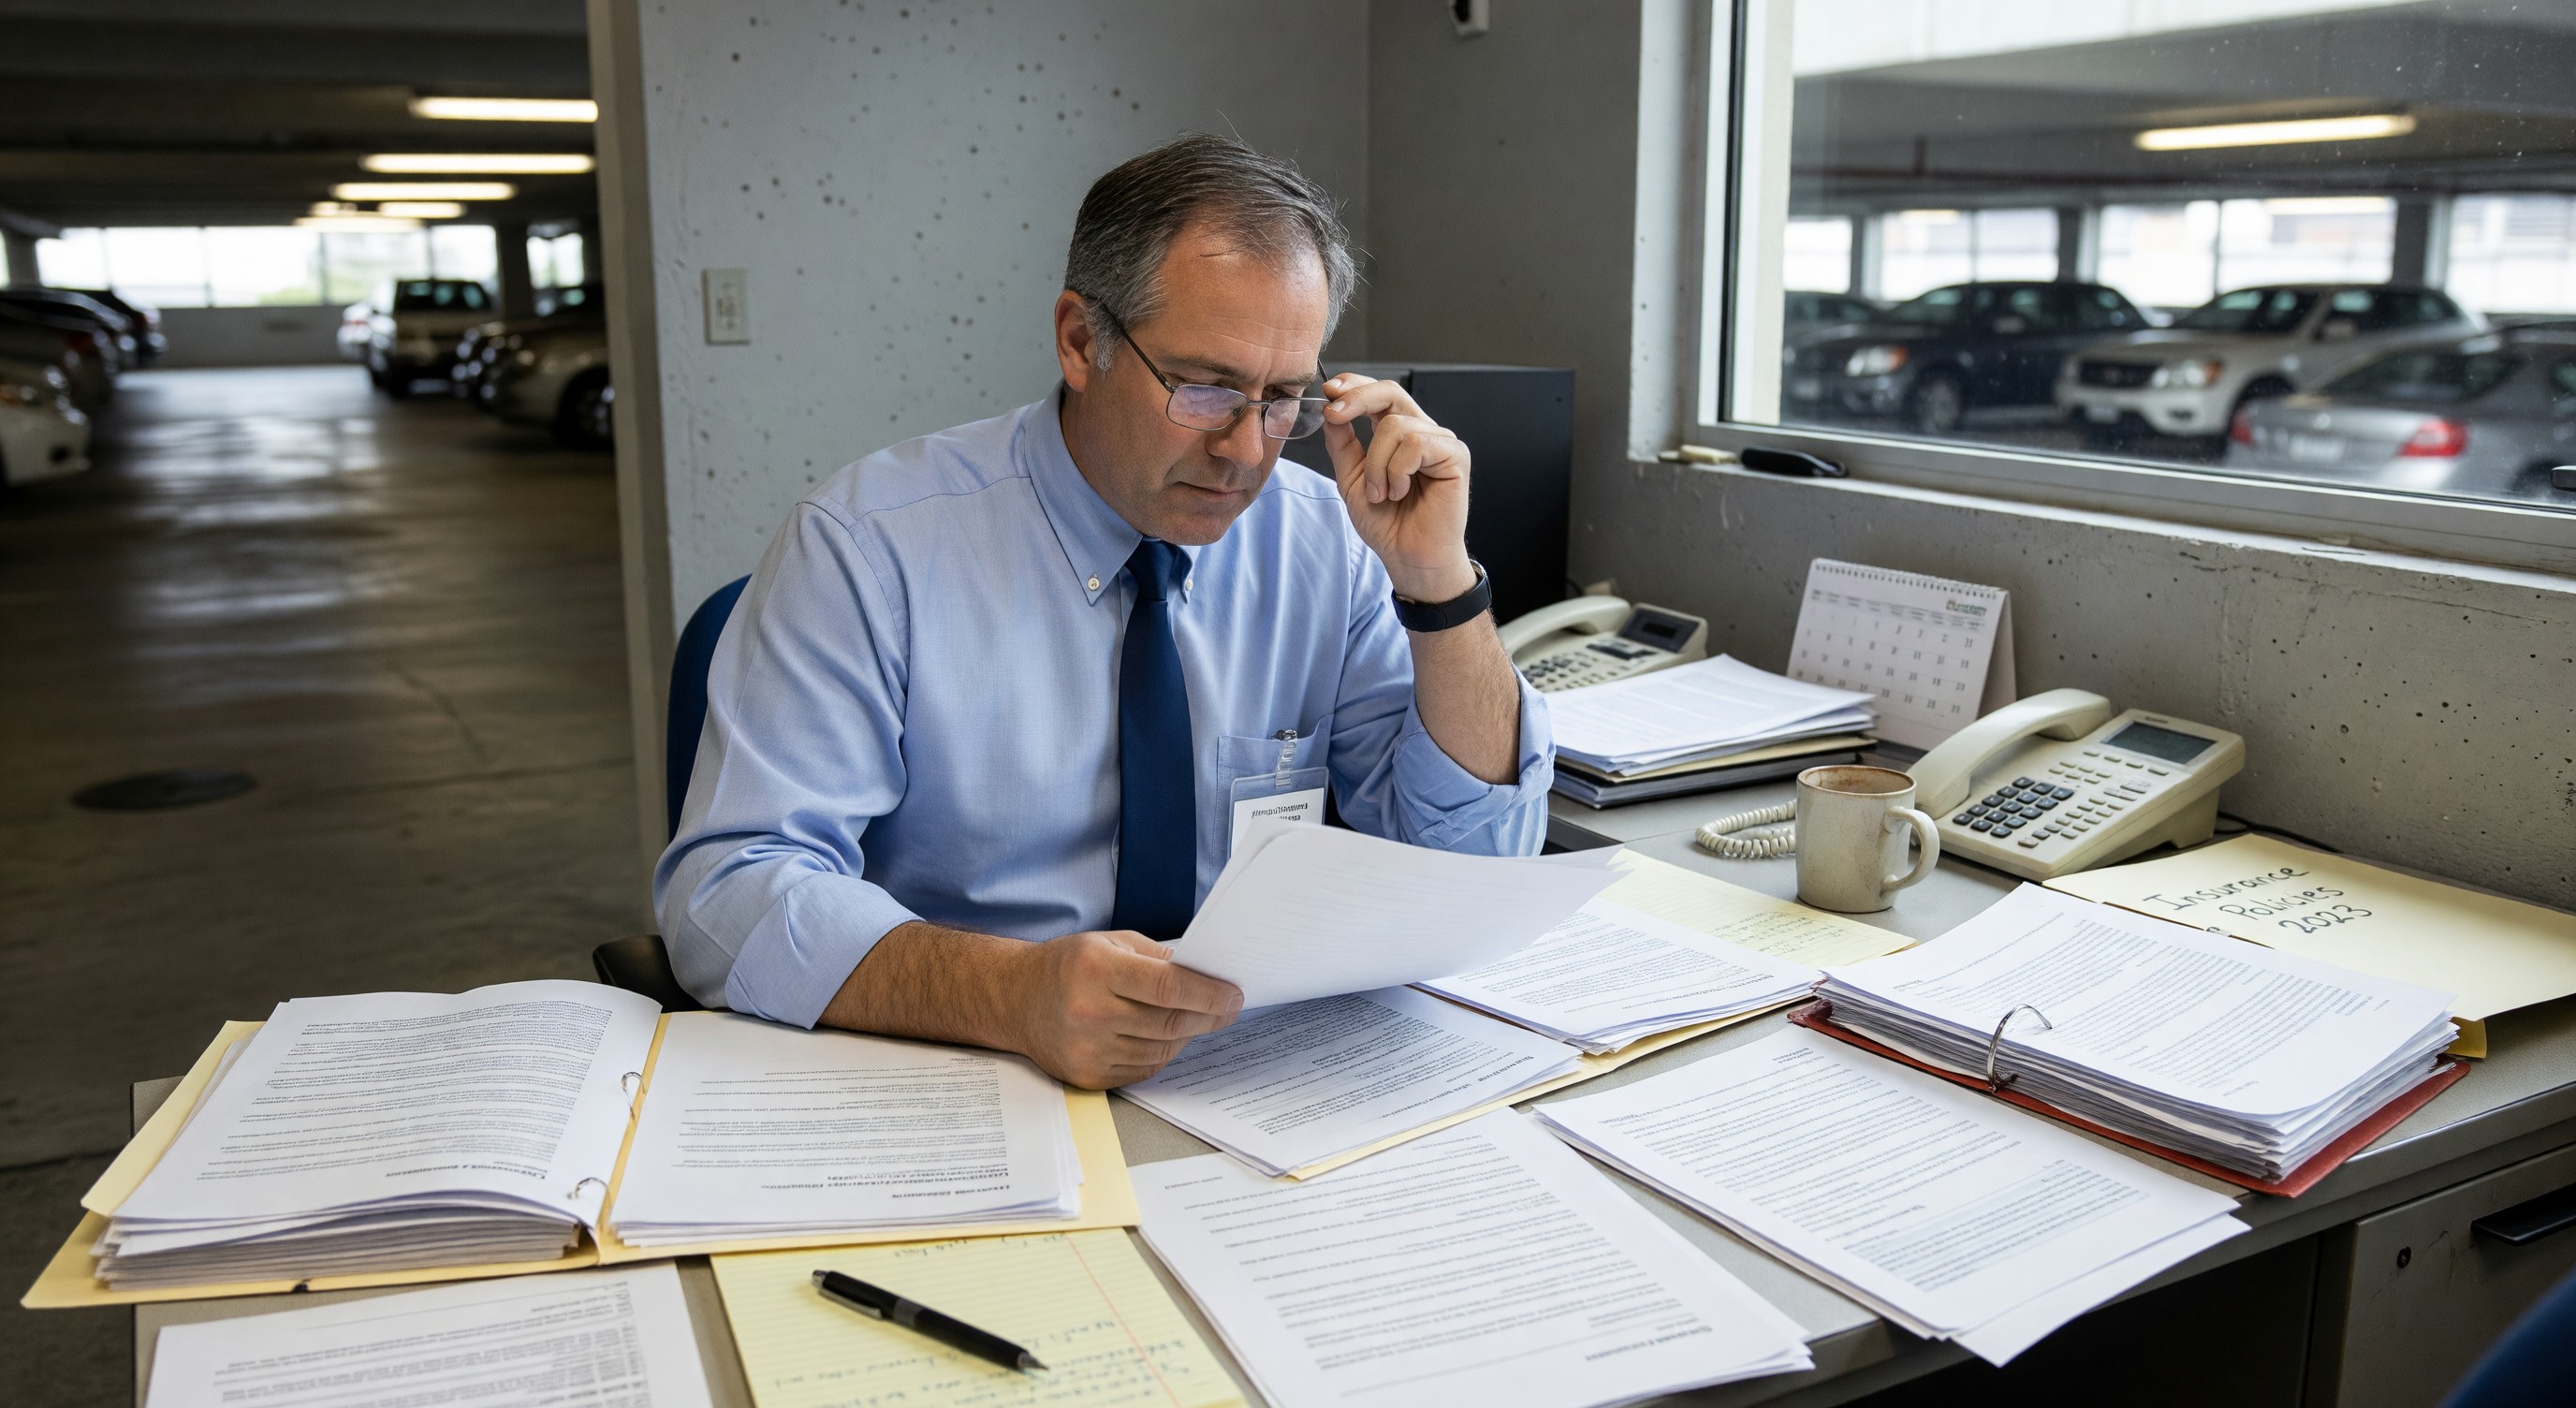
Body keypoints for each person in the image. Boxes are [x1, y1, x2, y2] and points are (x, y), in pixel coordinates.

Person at [657, 134, 1554, 1088]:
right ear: (1081, 341)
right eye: (1205, 389)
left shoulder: (1326, 543)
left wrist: (1441, 586)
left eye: (1284, 396)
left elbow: (1474, 868)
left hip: (1252, 1077)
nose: (1248, 450)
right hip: (963, 1067)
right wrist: (1007, 993)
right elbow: (728, 898)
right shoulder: (870, 547)